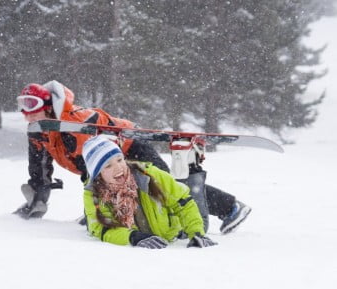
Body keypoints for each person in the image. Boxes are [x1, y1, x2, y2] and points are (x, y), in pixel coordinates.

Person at [14, 80, 251, 234]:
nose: (27, 112)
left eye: (32, 104)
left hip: (130, 147)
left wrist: (97, 213)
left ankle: (230, 207)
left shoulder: (76, 122)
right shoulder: (40, 132)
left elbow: (97, 169)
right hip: (111, 162)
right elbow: (39, 169)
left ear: (48, 104)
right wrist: (37, 200)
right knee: (150, 189)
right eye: (22, 105)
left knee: (163, 186)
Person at [82, 135, 218, 248]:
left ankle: (193, 165)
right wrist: (133, 237)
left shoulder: (148, 175)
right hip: (151, 239)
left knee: (194, 201)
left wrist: (196, 233)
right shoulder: (93, 194)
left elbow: (184, 202)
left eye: (119, 160)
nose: (118, 168)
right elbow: (102, 230)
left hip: (180, 230)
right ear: (97, 175)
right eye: (108, 166)